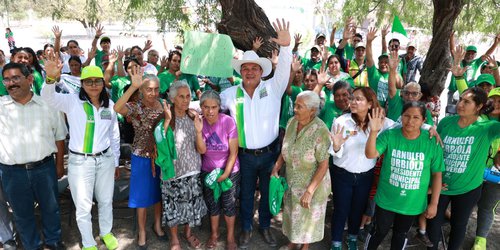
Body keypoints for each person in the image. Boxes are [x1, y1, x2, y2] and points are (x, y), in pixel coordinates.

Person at [220, 18, 292, 249]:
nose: (249, 71)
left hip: (270, 154)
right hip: (245, 156)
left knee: (268, 192)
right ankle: (246, 228)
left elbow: (284, 68)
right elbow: (206, 105)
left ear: (261, 70)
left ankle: (265, 226)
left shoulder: (273, 88)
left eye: (254, 68)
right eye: (245, 68)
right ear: (240, 71)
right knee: (247, 193)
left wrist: (287, 46)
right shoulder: (230, 94)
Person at [41, 57, 120, 250]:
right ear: (82, 83)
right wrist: (50, 79)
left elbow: (114, 134)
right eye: (88, 81)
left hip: (105, 159)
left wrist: (116, 161)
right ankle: (88, 242)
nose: (93, 85)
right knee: (83, 206)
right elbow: (47, 97)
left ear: (103, 82)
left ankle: (106, 232)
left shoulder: (109, 106)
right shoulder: (72, 102)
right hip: (80, 161)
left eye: (97, 81)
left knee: (105, 200)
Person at [0, 62, 67, 250]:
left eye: (16, 78)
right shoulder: (1, 107)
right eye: (7, 79)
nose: (11, 83)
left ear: (29, 79)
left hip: (44, 168)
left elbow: (60, 138)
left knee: (51, 209)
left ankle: (54, 242)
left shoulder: (48, 106)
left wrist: (59, 165)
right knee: (22, 214)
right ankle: (32, 246)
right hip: (12, 173)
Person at [426, 87, 500, 250]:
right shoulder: (446, 122)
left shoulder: (488, 127)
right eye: (460, 99)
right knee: (433, 225)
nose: (460, 104)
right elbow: (434, 149)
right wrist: (429, 129)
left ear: (479, 106)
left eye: (467, 101)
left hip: (468, 189)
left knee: (458, 226)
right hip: (441, 186)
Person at [364, 103, 444, 250]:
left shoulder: (432, 142)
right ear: (401, 117)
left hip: (412, 202)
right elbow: (370, 154)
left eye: (416, 117)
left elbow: (437, 174)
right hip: (387, 198)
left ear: (423, 120)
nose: (410, 121)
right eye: (406, 116)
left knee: (401, 234)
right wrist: (373, 132)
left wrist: (434, 203)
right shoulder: (390, 135)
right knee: (379, 231)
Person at [329, 87, 395, 250]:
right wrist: (336, 146)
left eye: (358, 99)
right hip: (342, 174)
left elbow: (404, 126)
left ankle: (352, 237)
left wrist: (428, 128)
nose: (352, 102)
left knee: (358, 209)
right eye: (352, 98)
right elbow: (335, 153)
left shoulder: (381, 122)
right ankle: (336, 241)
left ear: (370, 103)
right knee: (341, 209)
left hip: (366, 176)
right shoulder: (341, 121)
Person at [271, 91, 331, 250]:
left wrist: (310, 191)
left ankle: (305, 247)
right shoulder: (292, 122)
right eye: (295, 105)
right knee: (293, 215)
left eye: (299, 106)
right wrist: (276, 167)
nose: (295, 109)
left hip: (312, 184)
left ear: (312, 110)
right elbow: (285, 149)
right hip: (292, 180)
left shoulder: (321, 130)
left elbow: (324, 164)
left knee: (308, 218)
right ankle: (292, 243)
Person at [114, 69, 167, 248]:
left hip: (161, 158)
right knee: (141, 197)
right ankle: (142, 231)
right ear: (142, 91)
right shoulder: (136, 107)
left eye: (156, 89)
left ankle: (157, 225)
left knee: (159, 194)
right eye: (149, 89)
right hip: (141, 158)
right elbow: (117, 108)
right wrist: (133, 87)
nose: (153, 93)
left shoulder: (163, 105)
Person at [162, 81, 207, 250]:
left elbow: (201, 149)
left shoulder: (194, 116)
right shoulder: (166, 116)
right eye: (181, 96)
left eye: (188, 96)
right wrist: (167, 120)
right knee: (172, 205)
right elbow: (160, 144)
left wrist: (198, 130)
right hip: (173, 171)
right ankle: (174, 237)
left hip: (193, 169)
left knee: (192, 204)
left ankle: (188, 233)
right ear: (173, 98)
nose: (185, 100)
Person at [198, 90, 240, 250]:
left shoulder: (228, 122)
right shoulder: (200, 123)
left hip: (230, 170)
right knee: (212, 204)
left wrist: (226, 174)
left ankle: (230, 237)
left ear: (219, 107)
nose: (210, 111)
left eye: (214, 107)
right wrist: (197, 130)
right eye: (206, 107)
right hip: (208, 171)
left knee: (229, 204)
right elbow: (201, 150)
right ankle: (214, 234)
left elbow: (234, 152)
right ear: (201, 107)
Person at [471, 87, 500, 250]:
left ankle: (480, 239)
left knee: (487, 207)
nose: (495, 104)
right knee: (466, 204)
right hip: (474, 172)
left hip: (496, 177)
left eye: (499, 101)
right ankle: (457, 230)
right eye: (492, 100)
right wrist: (459, 78)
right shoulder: (478, 119)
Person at [366, 27, 403, 107]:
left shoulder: (393, 74)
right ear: (378, 63)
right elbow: (369, 58)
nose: (383, 64)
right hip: (374, 108)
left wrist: (393, 69)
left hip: (390, 110)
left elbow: (400, 85)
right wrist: (368, 42)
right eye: (381, 62)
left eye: (386, 62)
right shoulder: (374, 73)